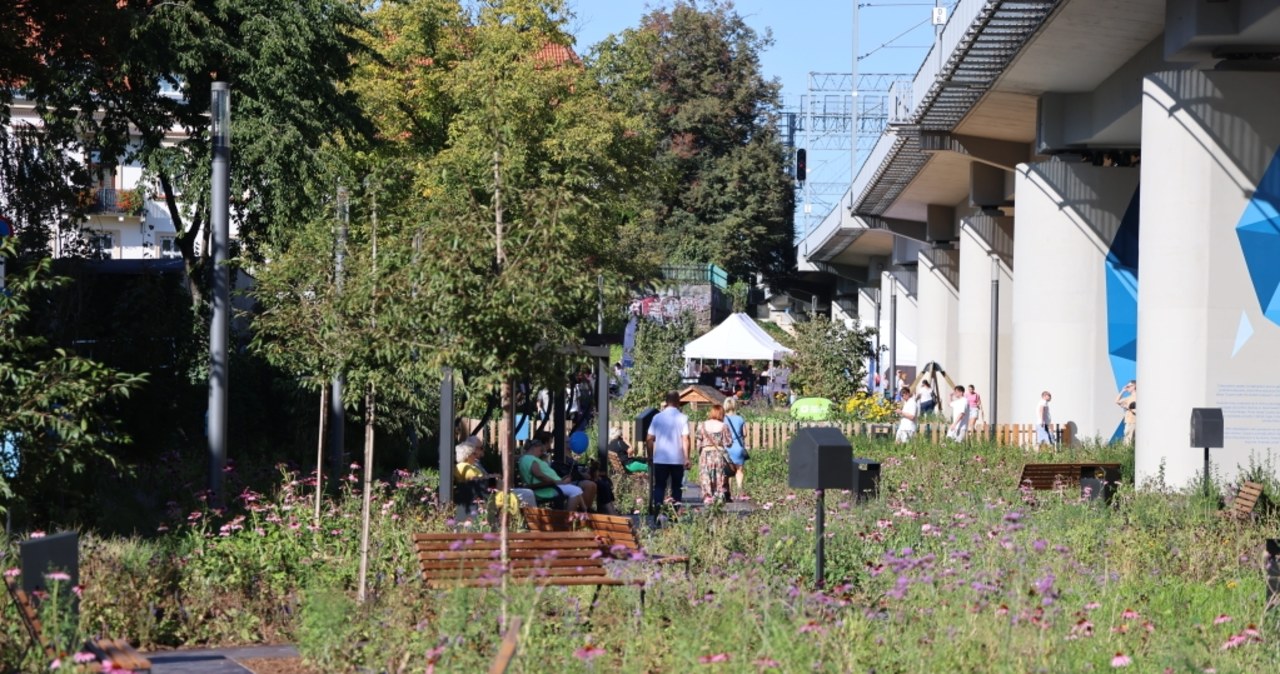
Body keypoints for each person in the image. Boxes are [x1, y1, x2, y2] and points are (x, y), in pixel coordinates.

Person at [454, 438, 536, 512]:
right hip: (487, 495)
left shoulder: (468, 466)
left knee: (525, 493)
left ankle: (526, 520)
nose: (476, 456)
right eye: (474, 454)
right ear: (468, 455)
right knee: (528, 493)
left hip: (489, 492)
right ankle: (533, 520)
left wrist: (493, 478)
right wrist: (493, 479)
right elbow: (478, 482)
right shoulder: (466, 467)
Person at [646, 391, 691, 515]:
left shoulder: (657, 417)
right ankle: (674, 514)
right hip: (677, 459)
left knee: (659, 486)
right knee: (676, 487)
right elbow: (685, 438)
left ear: (666, 401)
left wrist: (650, 456)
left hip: (660, 458)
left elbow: (649, 438)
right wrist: (687, 457)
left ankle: (658, 511)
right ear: (678, 401)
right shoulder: (683, 418)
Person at [518, 439, 586, 511]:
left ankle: (585, 511)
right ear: (535, 447)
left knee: (577, 490)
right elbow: (539, 475)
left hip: (550, 486)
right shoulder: (530, 459)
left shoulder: (526, 459)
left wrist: (561, 480)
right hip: (547, 489)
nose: (541, 453)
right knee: (575, 491)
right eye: (541, 450)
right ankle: (567, 518)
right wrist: (557, 482)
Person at [696, 404, 733, 504]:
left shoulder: (702, 425)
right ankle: (718, 496)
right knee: (719, 475)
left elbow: (698, 443)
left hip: (705, 454)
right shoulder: (724, 426)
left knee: (705, 475)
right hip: (718, 454)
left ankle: (707, 496)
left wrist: (699, 453)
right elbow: (728, 443)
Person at [723, 397, 749, 497]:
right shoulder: (740, 418)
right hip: (738, 447)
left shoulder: (723, 419)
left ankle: (728, 493)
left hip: (726, 447)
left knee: (727, 471)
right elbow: (745, 433)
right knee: (739, 470)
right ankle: (739, 489)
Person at [1115, 380, 1136, 444]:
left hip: (1132, 422)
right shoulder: (1129, 398)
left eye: (1129, 386)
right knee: (1129, 440)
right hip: (1129, 421)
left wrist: (1128, 408)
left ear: (1134, 386)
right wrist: (1123, 391)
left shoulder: (1137, 397)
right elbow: (1117, 401)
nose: (1127, 388)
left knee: (1128, 441)